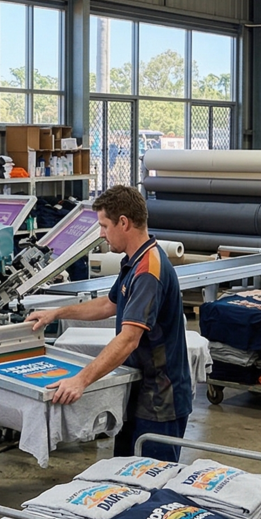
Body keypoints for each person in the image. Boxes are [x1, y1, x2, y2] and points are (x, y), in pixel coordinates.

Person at [24, 185, 193, 463]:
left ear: (123, 222)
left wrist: (81, 380)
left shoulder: (148, 271)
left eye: (104, 225)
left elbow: (128, 339)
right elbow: (109, 304)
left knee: (151, 483)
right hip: (139, 392)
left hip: (161, 401)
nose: (101, 234)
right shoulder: (134, 261)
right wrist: (56, 312)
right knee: (124, 477)